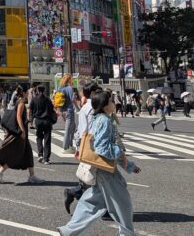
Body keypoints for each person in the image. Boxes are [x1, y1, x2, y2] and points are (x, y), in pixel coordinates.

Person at [58, 91, 140, 236]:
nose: (114, 103)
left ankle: (68, 231)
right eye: (111, 101)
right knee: (123, 203)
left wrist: (129, 165)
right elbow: (102, 148)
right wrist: (120, 152)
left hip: (102, 169)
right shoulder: (104, 121)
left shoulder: (99, 119)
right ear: (104, 105)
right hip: (106, 171)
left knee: (92, 203)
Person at [0, 84, 43, 184]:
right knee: (16, 155)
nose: (29, 93)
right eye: (27, 92)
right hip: (20, 134)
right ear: (24, 93)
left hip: (22, 133)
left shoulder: (20, 101)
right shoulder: (21, 103)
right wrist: (22, 131)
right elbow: (18, 117)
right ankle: (0, 170)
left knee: (28, 153)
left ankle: (32, 176)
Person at [64, 82, 101, 214]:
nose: (100, 92)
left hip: (94, 145)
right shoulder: (89, 108)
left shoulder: (92, 106)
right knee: (92, 177)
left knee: (94, 177)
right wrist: (81, 148)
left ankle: (75, 193)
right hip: (91, 146)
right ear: (92, 93)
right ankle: (76, 194)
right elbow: (83, 131)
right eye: (98, 90)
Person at [29, 84, 56, 164]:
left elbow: (31, 110)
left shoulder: (34, 99)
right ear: (44, 90)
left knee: (39, 137)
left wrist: (31, 121)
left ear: (37, 90)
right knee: (47, 139)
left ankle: (40, 154)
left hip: (38, 121)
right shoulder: (48, 99)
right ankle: (46, 159)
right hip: (47, 121)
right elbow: (51, 110)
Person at [56, 74, 77, 150]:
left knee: (73, 127)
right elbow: (72, 99)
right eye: (71, 79)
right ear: (69, 80)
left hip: (62, 111)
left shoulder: (60, 88)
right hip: (69, 110)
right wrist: (78, 108)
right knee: (68, 130)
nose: (72, 80)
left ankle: (70, 145)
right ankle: (65, 147)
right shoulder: (69, 88)